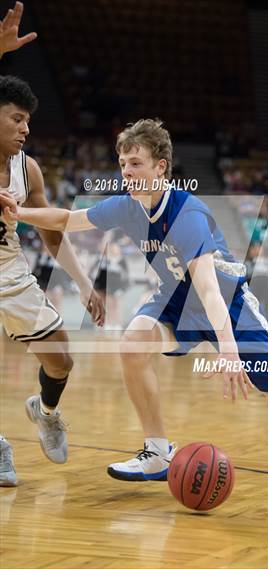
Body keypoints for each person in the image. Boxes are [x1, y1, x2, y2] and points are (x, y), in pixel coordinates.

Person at [0, 118, 268, 497]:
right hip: (174, 299)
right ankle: (157, 451)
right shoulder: (126, 206)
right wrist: (19, 214)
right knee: (132, 345)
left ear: (160, 167)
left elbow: (209, 290)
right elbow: (68, 218)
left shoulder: (188, 214)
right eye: (122, 164)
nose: (127, 172)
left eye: (135, 163)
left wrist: (228, 350)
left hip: (228, 307)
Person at [0, 2, 104, 487]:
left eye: (28, 121)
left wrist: (83, 284)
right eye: (16, 119)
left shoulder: (29, 170)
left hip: (9, 270)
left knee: (61, 360)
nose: (26, 128)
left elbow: (52, 231)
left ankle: (44, 411)